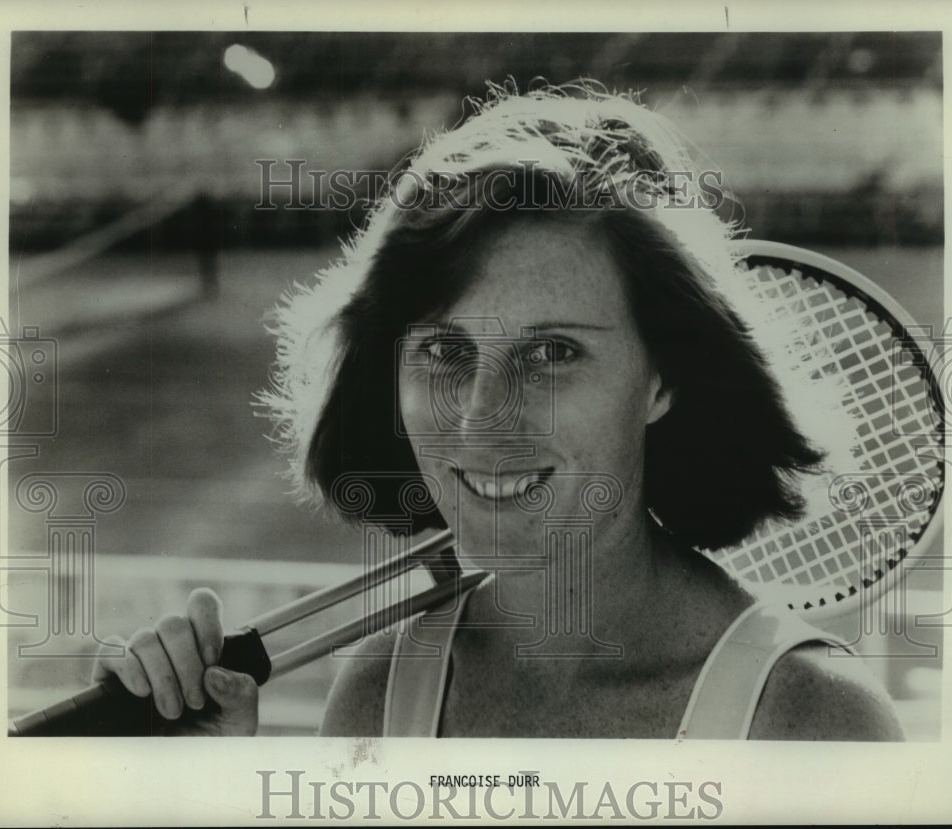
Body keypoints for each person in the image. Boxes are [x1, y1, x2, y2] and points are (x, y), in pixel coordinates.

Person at [95, 82, 904, 740]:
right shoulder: (376, 697)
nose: (481, 420)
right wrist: (202, 785)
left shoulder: (813, 720)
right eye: (445, 351)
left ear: (664, 377)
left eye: (552, 352)